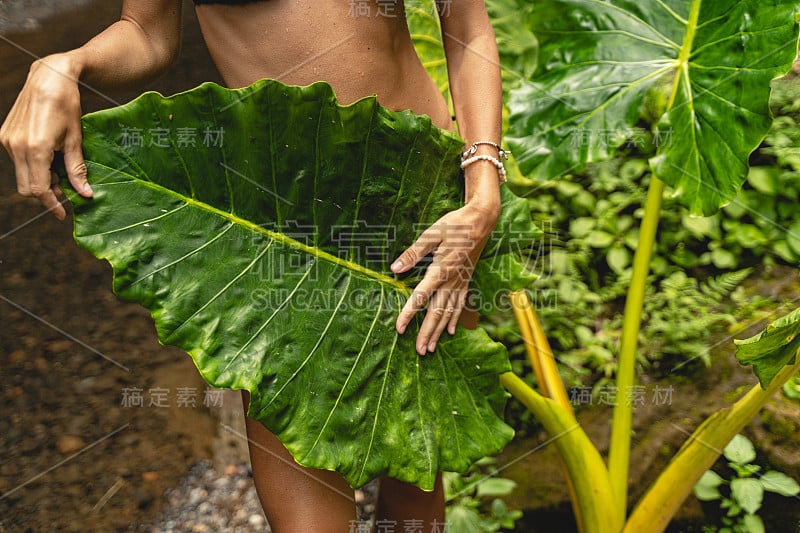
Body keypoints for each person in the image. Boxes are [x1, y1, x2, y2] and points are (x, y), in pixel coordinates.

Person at [0, 1, 504, 531]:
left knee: (414, 491)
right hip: (276, 235)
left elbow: (466, 24)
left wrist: (483, 193)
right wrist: (63, 64)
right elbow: (146, 35)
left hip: (422, 207)